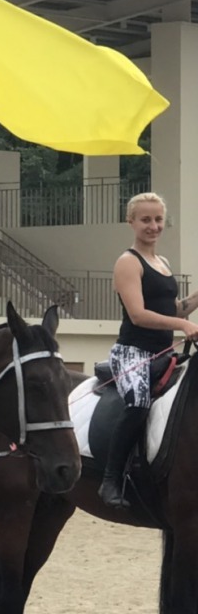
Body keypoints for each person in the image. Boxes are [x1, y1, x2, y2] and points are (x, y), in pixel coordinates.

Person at [98, 192, 198, 509]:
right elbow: (139, 314)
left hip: (163, 353)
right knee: (139, 404)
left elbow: (175, 309)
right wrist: (183, 326)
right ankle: (110, 480)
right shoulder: (128, 262)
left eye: (157, 220)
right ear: (131, 222)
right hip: (132, 353)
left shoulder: (163, 263)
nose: (153, 226)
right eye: (145, 220)